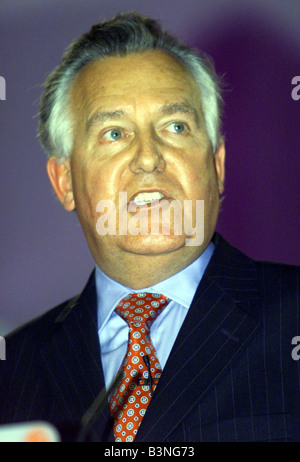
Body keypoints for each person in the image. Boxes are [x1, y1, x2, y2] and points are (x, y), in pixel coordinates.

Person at [0, 12, 299, 443]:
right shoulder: (14, 369)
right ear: (63, 181)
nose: (148, 158)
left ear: (217, 166)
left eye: (175, 127)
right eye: (114, 133)